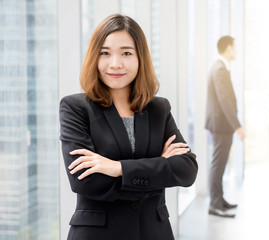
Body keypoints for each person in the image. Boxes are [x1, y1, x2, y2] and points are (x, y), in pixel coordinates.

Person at [59, 14, 198, 240]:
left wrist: (118, 168)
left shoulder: (158, 109)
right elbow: (86, 181)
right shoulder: (76, 108)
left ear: (140, 58)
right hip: (98, 234)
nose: (115, 63)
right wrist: (161, 165)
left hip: (154, 232)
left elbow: (187, 169)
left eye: (126, 53)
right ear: (94, 57)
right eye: (105, 53)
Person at [205, 35, 245, 218]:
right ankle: (215, 204)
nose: (236, 50)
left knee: (220, 164)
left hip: (221, 124)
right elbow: (225, 100)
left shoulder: (220, 67)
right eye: (235, 47)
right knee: (218, 165)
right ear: (228, 48)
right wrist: (237, 126)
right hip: (221, 125)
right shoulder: (220, 69)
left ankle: (219, 200)